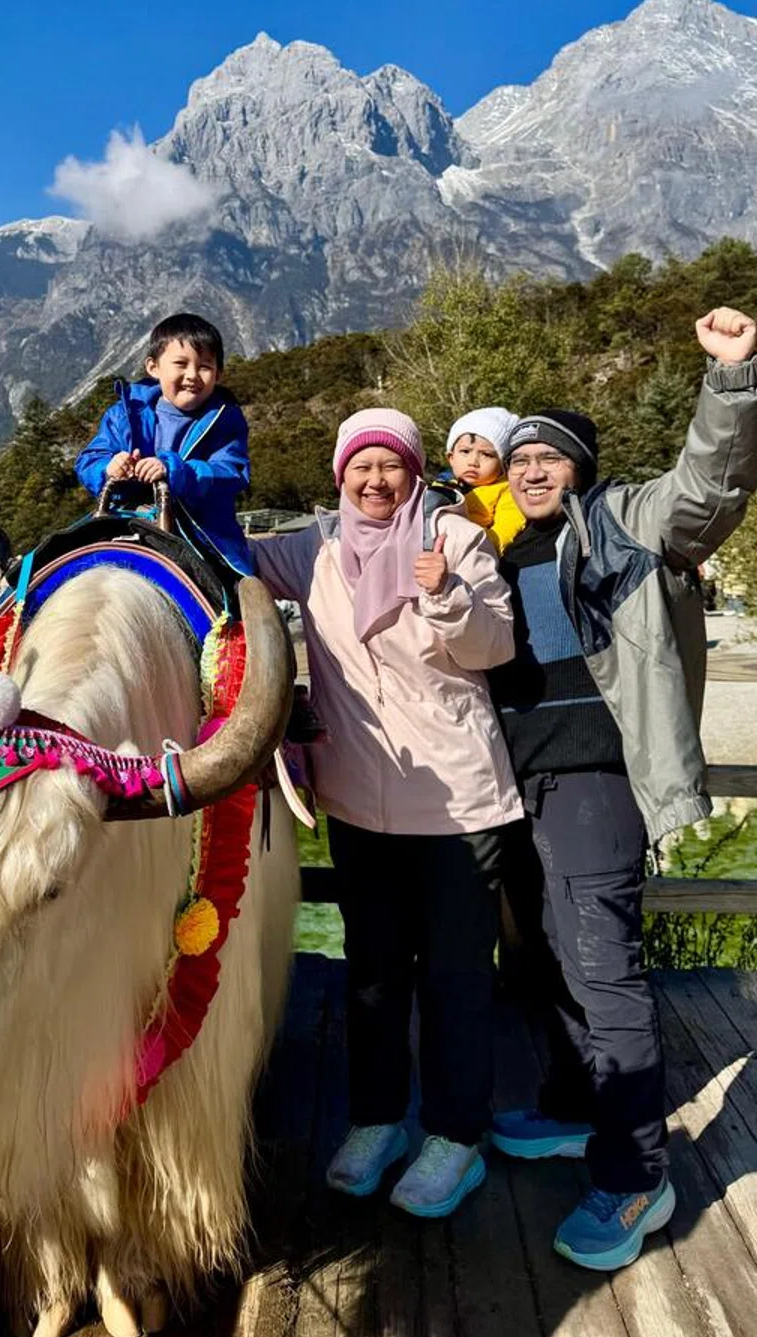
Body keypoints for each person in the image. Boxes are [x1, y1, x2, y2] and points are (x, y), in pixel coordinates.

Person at [488, 304, 757, 1272]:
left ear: (581, 466)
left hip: (597, 785)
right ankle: (576, 1108)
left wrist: (731, 380)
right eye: (520, 459)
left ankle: (639, 1175)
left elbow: (709, 484)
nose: (531, 470)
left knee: (604, 969)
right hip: (524, 791)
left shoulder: (626, 522)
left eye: (549, 457)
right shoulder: (506, 550)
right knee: (553, 961)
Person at [254, 409, 522, 1217]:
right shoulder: (314, 546)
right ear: (340, 476)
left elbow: (494, 648)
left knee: (456, 976)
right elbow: (226, 559)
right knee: (371, 975)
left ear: (414, 470)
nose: (376, 481)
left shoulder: (454, 538)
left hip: (458, 802)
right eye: (361, 467)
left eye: (391, 465)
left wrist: (444, 594)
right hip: (359, 800)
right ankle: (376, 1122)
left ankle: (455, 1137)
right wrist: (152, 489)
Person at [74, 312, 252, 573]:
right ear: (153, 367)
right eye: (181, 363)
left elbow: (232, 471)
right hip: (123, 520)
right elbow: (90, 459)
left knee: (245, 589)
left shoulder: (225, 419)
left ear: (218, 374)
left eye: (204, 366)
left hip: (204, 535)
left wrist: (175, 471)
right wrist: (109, 467)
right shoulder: (125, 413)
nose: (192, 375)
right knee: (45, 571)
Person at [446, 406, 524, 554]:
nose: (473, 462)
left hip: (472, 554)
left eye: (486, 454)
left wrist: (479, 547)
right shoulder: (442, 486)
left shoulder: (507, 491)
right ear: (451, 458)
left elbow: (505, 530)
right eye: (465, 451)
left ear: (503, 465)